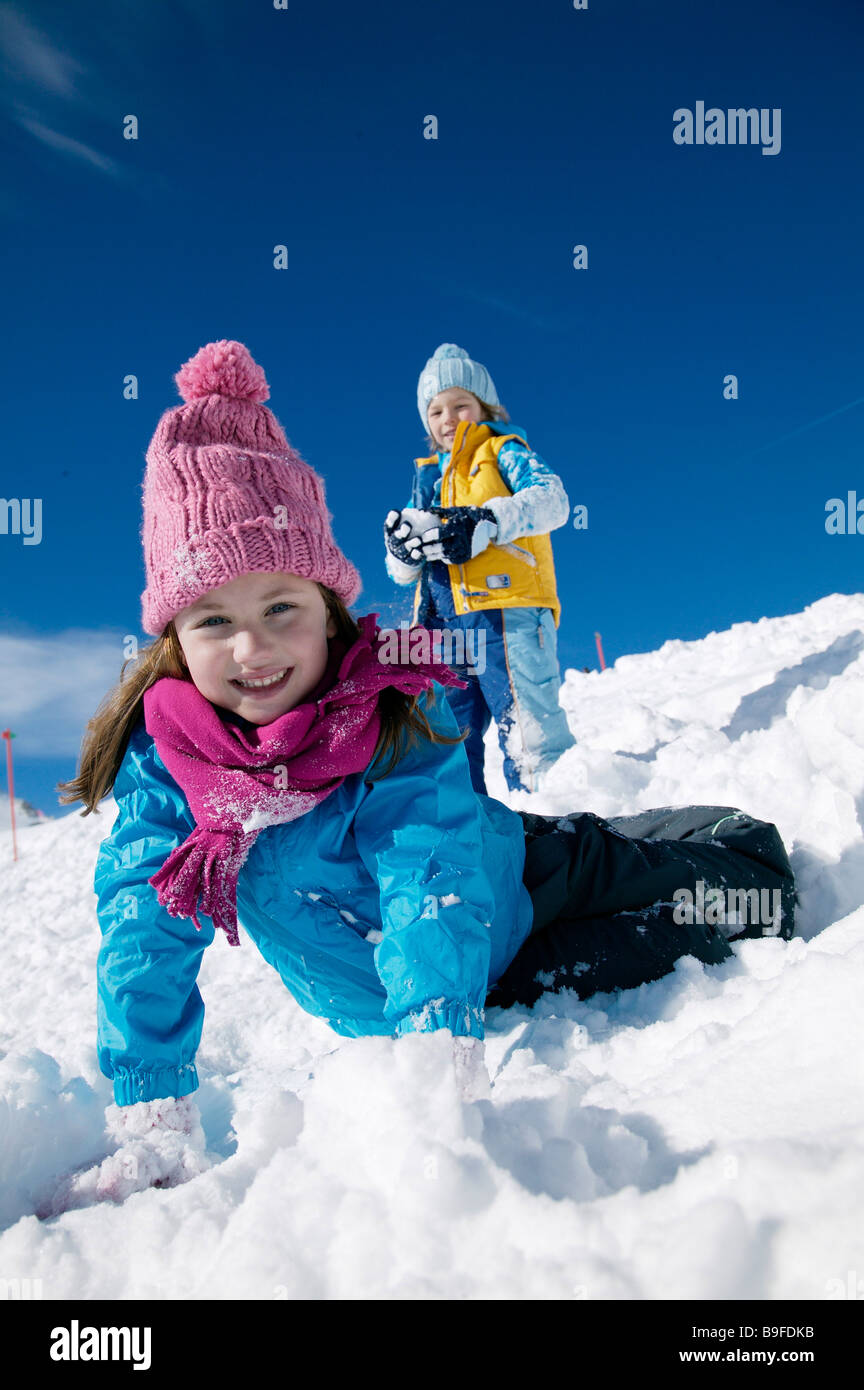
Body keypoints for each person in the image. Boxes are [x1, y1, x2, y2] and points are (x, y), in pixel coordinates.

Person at [58, 340, 795, 1204]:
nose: (252, 649)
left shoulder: (384, 707)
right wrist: (153, 1116)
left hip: (511, 868)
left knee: (721, 854)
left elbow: (427, 864)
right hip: (485, 965)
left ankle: (722, 845)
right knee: (713, 908)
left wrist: (434, 1062)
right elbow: (143, 930)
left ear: (331, 616)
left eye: (282, 607)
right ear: (173, 638)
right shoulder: (168, 764)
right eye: (214, 619)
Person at [383, 342, 575, 796]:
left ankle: (555, 823)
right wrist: (402, 552)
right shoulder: (426, 481)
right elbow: (401, 574)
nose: (447, 418)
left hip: (507, 612)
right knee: (445, 743)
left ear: (483, 406)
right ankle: (470, 839)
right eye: (435, 411)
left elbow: (553, 500)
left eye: (459, 405)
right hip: (443, 626)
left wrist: (486, 520)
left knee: (530, 730)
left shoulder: (502, 450)